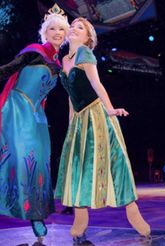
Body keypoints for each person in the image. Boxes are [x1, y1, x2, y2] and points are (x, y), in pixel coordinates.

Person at [54, 17, 151, 245]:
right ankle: (80, 220)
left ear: (88, 38)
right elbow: (71, 96)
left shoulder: (85, 54)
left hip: (96, 115)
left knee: (112, 164)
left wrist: (110, 109)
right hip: (78, 121)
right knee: (77, 167)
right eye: (74, 26)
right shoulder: (64, 59)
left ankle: (133, 213)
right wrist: (71, 125)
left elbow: (97, 85)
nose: (74, 29)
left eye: (81, 28)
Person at [0, 4, 69, 245]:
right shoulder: (34, 52)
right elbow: (6, 71)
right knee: (18, 159)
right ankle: (24, 210)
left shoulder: (59, 63)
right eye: (53, 29)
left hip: (38, 117)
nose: (57, 33)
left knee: (39, 165)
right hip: (17, 112)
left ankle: (35, 214)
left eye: (62, 29)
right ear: (45, 32)